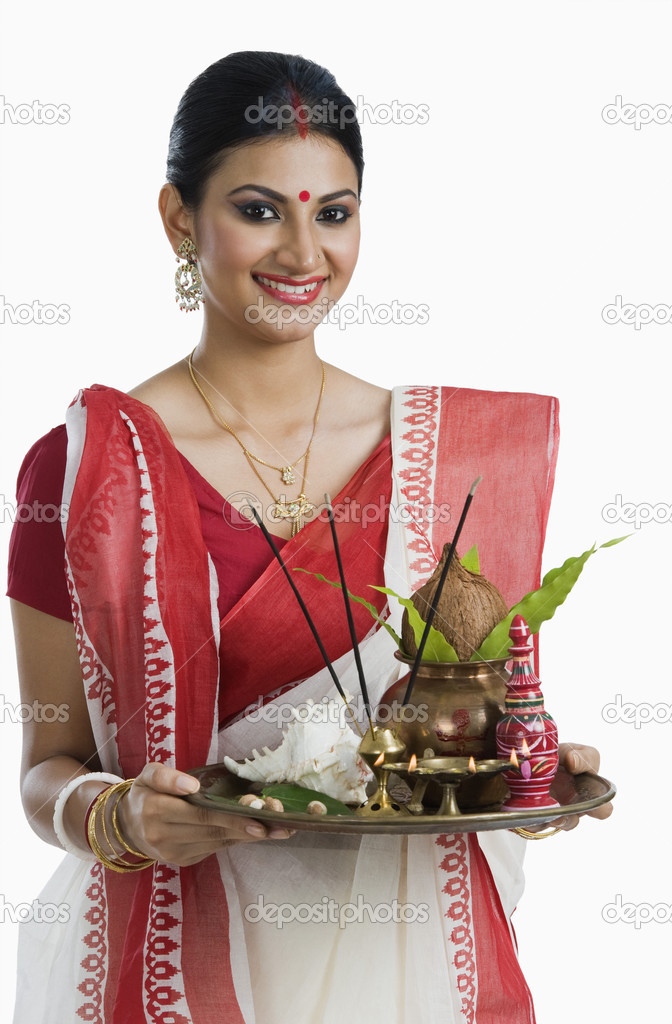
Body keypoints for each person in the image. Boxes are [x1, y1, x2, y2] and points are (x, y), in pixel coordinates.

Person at [7, 51, 611, 1024]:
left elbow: (466, 730)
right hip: (181, 958)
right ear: (177, 219)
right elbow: (47, 766)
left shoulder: (449, 460)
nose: (301, 253)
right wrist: (118, 816)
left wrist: (534, 772)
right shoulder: (84, 471)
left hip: (405, 970)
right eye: (259, 210)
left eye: (333, 212)